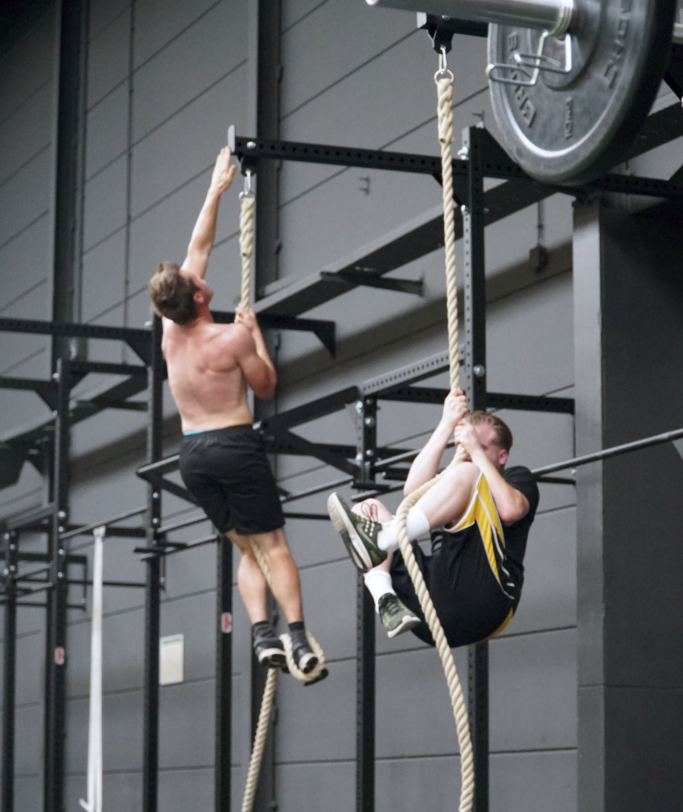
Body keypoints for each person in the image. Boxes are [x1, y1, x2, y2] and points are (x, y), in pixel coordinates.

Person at [149, 146, 322, 680]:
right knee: (272, 545)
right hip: (232, 444)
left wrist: (216, 188)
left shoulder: (170, 333)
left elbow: (199, 243)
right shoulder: (229, 338)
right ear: (199, 297)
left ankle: (261, 636)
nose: (197, 272)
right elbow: (266, 386)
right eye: (194, 277)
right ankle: (298, 639)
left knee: (247, 549)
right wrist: (256, 338)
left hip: (192, 456)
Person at [327, 389, 539, 648]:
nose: (469, 452)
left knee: (470, 473)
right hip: (432, 608)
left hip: (486, 600)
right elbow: (411, 491)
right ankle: (385, 600)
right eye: (462, 446)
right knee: (367, 509)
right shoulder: (454, 481)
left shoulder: (516, 478)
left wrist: (475, 453)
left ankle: (385, 540)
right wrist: (446, 424)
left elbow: (510, 511)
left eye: (478, 446)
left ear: (501, 455)